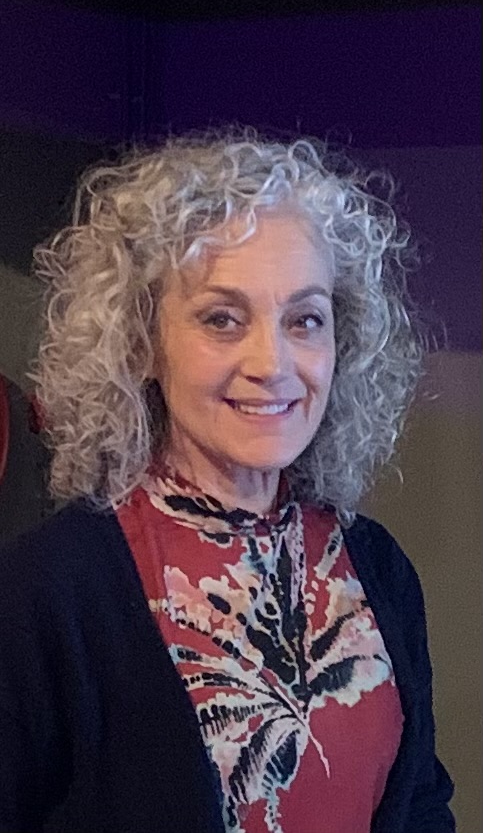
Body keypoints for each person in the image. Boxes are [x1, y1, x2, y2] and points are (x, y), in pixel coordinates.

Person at [0, 131, 455, 833]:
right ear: (142, 343)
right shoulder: (46, 591)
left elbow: (420, 805)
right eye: (222, 319)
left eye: (305, 320)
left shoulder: (377, 567)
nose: (272, 363)